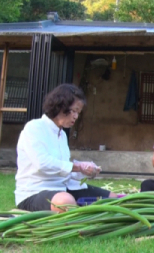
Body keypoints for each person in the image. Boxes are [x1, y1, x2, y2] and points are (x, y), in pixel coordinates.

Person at [15, 84, 117, 212]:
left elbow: (64, 170)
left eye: (78, 112)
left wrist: (85, 171)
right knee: (66, 202)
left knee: (113, 198)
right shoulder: (34, 128)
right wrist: (78, 166)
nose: (76, 116)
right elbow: (42, 164)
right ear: (60, 106)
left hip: (63, 188)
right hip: (34, 191)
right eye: (74, 111)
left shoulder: (62, 134)